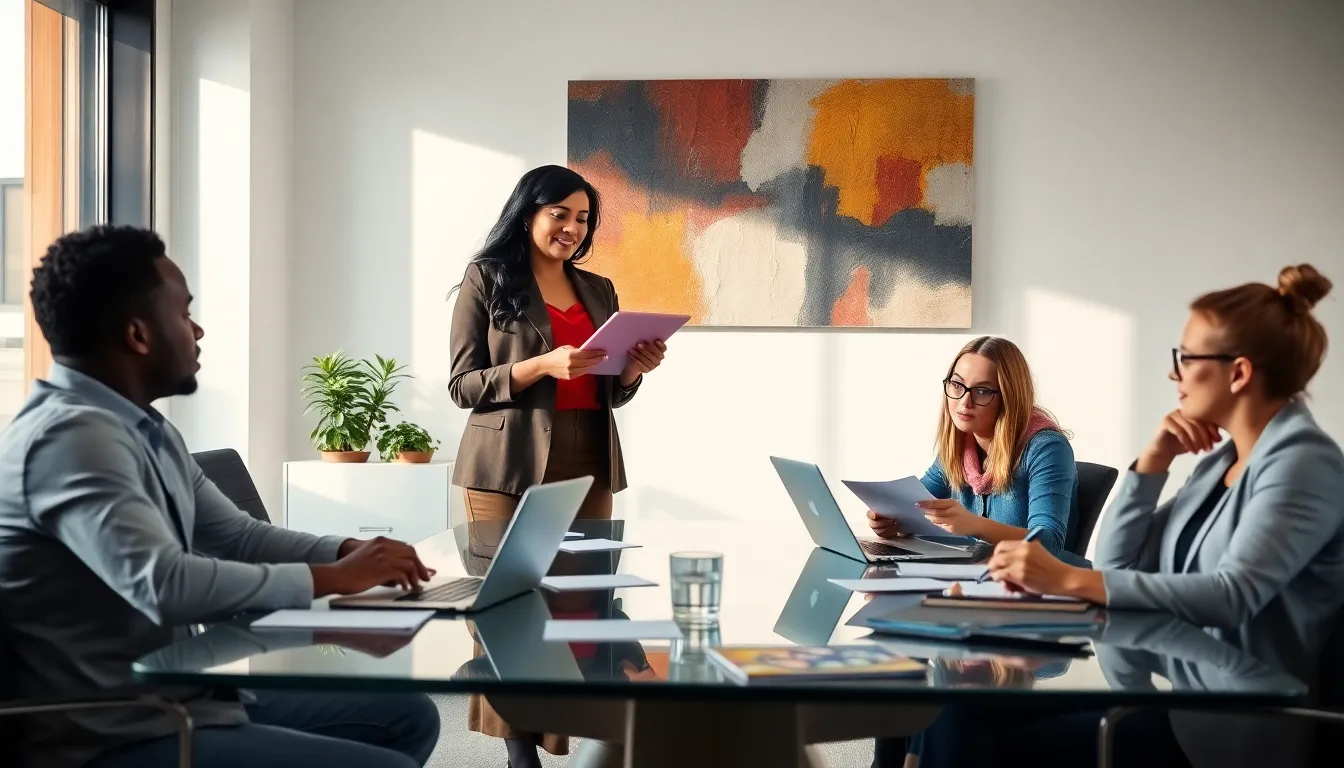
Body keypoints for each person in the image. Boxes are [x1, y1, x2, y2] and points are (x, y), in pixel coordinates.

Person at [0, 226, 442, 768]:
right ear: (139, 335)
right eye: (184, 313)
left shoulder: (142, 427)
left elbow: (237, 536)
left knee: (408, 714)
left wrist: (347, 550)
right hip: (109, 731)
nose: (198, 329)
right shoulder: (69, 437)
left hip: (179, 697)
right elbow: (163, 583)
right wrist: (331, 580)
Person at [906, 264, 1344, 768]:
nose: (1172, 373)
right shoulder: (1224, 462)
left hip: (1233, 724)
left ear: (1239, 372)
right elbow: (1120, 562)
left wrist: (1072, 579)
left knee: (970, 725)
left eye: (1186, 357)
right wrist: (1150, 464)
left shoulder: (1302, 463)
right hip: (1175, 688)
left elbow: (1231, 596)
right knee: (958, 708)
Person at [447, 165, 668, 766]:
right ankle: (522, 752)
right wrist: (542, 366)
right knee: (511, 606)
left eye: (583, 219)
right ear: (528, 214)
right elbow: (464, 385)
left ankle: (578, 721)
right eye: (560, 215)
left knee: (582, 599)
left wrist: (631, 369)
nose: (572, 228)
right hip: (505, 462)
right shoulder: (487, 278)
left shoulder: (598, 290)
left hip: (588, 455)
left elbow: (608, 391)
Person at [867, 336, 1080, 558]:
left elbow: (1050, 544)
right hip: (973, 577)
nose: (964, 402)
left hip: (1032, 585)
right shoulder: (960, 444)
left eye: (982, 391)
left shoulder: (1047, 449)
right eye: (957, 385)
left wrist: (974, 525)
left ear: (1009, 397)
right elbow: (915, 503)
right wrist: (891, 519)